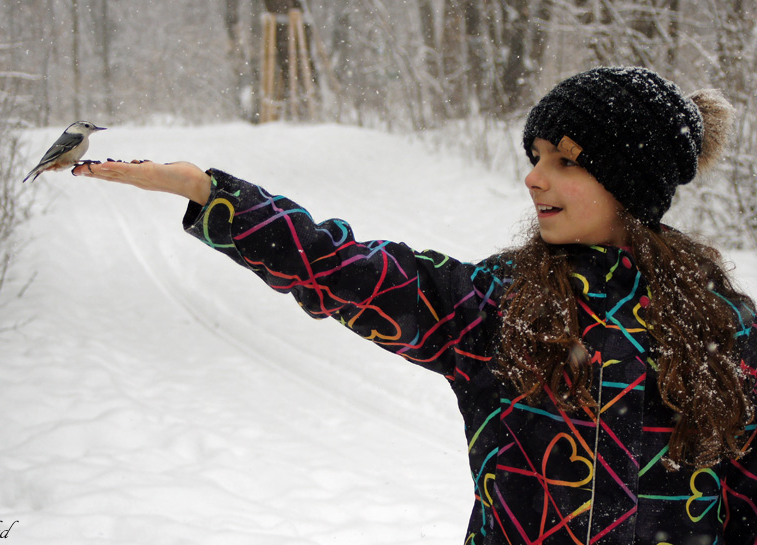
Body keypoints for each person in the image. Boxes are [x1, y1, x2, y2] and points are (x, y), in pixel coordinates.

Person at [74, 67, 757, 544]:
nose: (534, 175)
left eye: (565, 161)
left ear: (629, 183)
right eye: (536, 153)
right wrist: (212, 196)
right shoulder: (502, 305)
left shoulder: (725, 330)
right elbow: (342, 268)